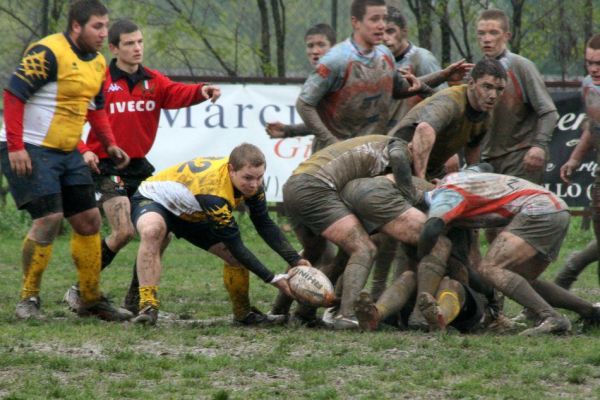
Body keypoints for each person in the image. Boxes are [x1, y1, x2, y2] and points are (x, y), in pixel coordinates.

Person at [63, 19, 221, 314]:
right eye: (129, 43)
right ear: (113, 48)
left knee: (161, 230)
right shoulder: (100, 81)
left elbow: (176, 93)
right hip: (106, 165)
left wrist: (202, 91)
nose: (137, 48)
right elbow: (73, 120)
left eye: (140, 42)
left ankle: (136, 297)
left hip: (138, 166)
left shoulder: (153, 80)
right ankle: (82, 290)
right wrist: (84, 151)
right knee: (123, 231)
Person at [0, 0, 133, 321]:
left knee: (89, 220)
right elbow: (14, 95)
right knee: (49, 218)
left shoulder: (99, 62)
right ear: (76, 26)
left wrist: (110, 144)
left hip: (67, 150)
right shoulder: (47, 52)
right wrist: (17, 146)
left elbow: (95, 107)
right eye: (96, 26)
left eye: (106, 25)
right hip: (29, 146)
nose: (104, 33)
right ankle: (28, 300)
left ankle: (89, 297)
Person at [129, 143, 308, 325]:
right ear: (231, 170)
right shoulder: (213, 192)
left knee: (235, 259)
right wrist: (272, 278)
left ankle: (243, 315)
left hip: (192, 212)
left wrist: (295, 259)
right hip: (156, 200)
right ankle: (147, 307)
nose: (254, 185)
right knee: (152, 231)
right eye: (247, 178)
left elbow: (264, 224)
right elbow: (236, 244)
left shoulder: (252, 184)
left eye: (259, 177)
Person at [418, 170, 600, 335]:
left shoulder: (443, 196)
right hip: (557, 208)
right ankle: (590, 312)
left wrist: (422, 254)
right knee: (524, 281)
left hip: (537, 211)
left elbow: (431, 229)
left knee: (490, 268)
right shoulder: (457, 177)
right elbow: (484, 164)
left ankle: (551, 317)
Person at [280, 134, 414, 329]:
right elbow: (399, 158)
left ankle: (284, 311)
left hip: (294, 185)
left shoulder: (367, 144)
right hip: (316, 187)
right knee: (363, 249)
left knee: (316, 254)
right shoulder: (398, 145)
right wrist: (409, 195)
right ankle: (347, 316)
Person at [476, 9, 558, 184]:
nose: (487, 38)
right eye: (481, 33)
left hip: (521, 157)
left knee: (521, 210)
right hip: (489, 160)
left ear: (507, 36)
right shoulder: (477, 71)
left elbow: (549, 112)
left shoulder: (521, 66)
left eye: (493, 33)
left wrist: (538, 146)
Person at [389, 58, 506, 180]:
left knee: (485, 169)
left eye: (499, 89)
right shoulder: (451, 102)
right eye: (487, 87)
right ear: (471, 84)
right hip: (395, 161)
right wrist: (421, 181)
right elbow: (424, 130)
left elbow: (473, 146)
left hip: (432, 169)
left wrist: (474, 182)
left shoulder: (485, 112)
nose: (493, 95)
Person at [557, 33, 600, 289]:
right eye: (589, 62)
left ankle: (568, 272)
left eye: (599, 63)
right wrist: (574, 159)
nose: (594, 68)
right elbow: (593, 127)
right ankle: (568, 273)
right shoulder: (588, 85)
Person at [265, 23, 336, 153]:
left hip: (343, 154)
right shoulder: (319, 77)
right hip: (325, 153)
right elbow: (322, 123)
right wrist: (288, 130)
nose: (315, 51)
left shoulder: (340, 77)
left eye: (321, 45)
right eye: (310, 46)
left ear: (333, 48)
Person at [384, 6, 446, 126]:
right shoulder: (379, 62)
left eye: (390, 31)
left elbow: (444, 99)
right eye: (381, 32)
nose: (385, 38)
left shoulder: (422, 59)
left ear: (404, 31)